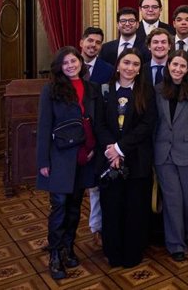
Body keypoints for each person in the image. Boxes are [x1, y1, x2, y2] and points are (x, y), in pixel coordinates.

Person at [36, 46, 101, 280]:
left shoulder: (92, 88)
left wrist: (94, 149)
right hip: (60, 155)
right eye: (65, 63)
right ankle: (54, 254)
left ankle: (68, 247)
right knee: (59, 206)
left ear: (80, 63)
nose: (71, 66)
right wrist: (43, 160)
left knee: (75, 206)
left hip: (85, 154)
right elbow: (44, 126)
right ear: (60, 67)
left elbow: (96, 122)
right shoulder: (51, 90)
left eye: (74, 61)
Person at [98, 48, 157, 268]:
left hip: (137, 160)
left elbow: (147, 125)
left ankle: (133, 252)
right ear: (118, 64)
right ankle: (113, 252)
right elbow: (99, 124)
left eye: (135, 65)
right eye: (126, 63)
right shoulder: (105, 90)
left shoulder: (147, 91)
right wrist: (111, 150)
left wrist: (120, 149)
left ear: (140, 69)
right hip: (109, 159)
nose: (130, 68)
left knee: (135, 209)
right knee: (112, 208)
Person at [153, 50, 188, 262]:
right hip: (163, 154)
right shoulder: (158, 90)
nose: (178, 69)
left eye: (182, 66)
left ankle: (185, 230)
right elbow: (154, 123)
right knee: (173, 199)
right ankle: (175, 244)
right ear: (168, 66)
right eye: (174, 65)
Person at [78, 26, 113, 248]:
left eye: (98, 42)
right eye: (90, 41)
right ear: (81, 42)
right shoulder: (70, 65)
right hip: (73, 136)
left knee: (97, 187)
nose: (93, 45)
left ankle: (96, 228)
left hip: (98, 133)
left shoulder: (107, 70)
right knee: (68, 189)